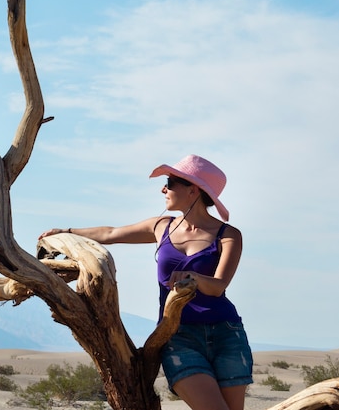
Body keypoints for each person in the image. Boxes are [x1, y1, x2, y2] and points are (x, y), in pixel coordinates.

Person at [38, 154, 253, 410]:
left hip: (226, 334)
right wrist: (67, 232)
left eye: (170, 182)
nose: (164, 188)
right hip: (178, 335)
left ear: (193, 189)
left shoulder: (228, 235)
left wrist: (191, 278)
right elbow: (111, 234)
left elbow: (218, 287)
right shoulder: (161, 226)